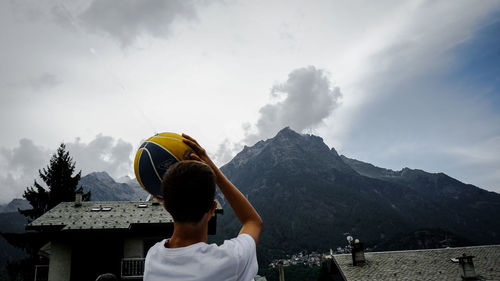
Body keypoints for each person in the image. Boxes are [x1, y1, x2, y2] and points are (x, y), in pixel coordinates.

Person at [144, 134, 263, 281]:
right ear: (213, 207)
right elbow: (253, 221)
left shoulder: (152, 259)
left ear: (165, 205)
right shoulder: (231, 261)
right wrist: (214, 170)